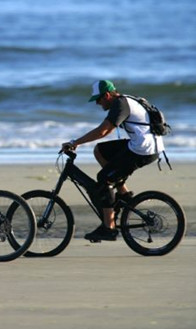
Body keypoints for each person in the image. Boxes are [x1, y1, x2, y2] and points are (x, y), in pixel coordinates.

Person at [61, 80, 165, 241]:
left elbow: (103, 131)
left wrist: (75, 143)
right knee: (100, 150)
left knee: (104, 178)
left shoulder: (120, 104)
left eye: (98, 99)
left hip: (143, 150)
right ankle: (124, 194)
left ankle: (108, 228)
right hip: (145, 145)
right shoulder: (125, 100)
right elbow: (106, 132)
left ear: (107, 95)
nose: (97, 103)